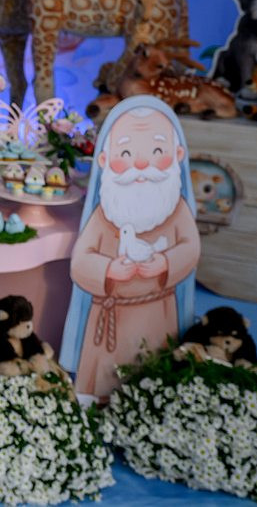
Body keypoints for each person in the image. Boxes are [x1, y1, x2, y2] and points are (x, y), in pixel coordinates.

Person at [60, 95, 200, 402]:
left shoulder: (176, 211)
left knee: (151, 378)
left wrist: (166, 263)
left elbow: (190, 248)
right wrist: (108, 269)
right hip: (108, 324)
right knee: (101, 388)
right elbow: (81, 262)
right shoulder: (103, 215)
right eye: (125, 153)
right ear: (104, 160)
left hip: (158, 318)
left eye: (156, 151)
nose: (141, 164)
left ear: (178, 155)